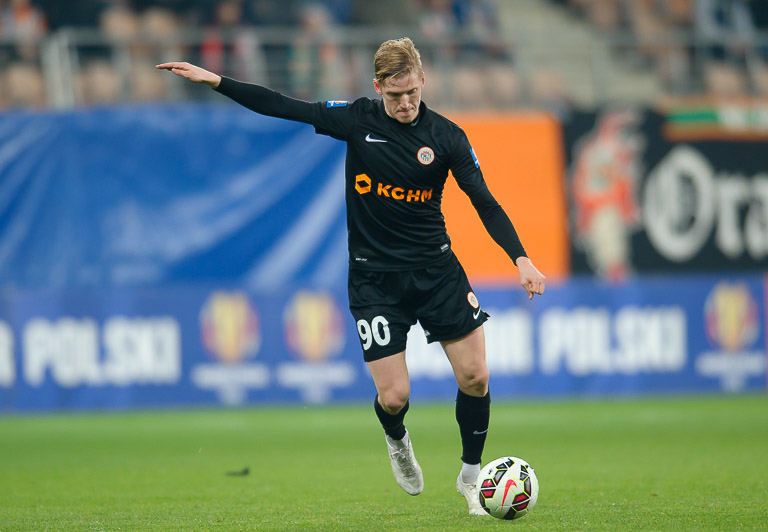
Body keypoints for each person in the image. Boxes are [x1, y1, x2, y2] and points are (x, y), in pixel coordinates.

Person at [157, 37, 545, 516]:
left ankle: (470, 476)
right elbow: (283, 106)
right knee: (394, 396)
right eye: (395, 95)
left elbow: (484, 201)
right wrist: (216, 81)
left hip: (437, 272)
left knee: (476, 376)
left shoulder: (448, 137)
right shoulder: (357, 120)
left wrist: (520, 258)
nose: (405, 103)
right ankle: (396, 438)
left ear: (423, 81)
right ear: (378, 87)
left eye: (412, 92)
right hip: (374, 279)